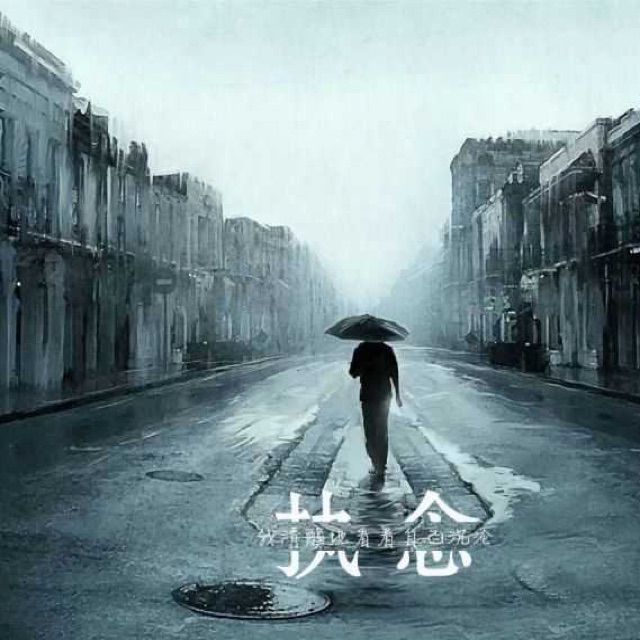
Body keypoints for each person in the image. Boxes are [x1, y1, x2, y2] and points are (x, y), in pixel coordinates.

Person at [348, 340, 402, 478]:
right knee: (380, 430)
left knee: (371, 431)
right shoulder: (386, 350)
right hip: (380, 396)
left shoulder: (361, 350)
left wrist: (364, 366)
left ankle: (377, 463)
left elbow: (353, 373)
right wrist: (397, 394)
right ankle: (379, 464)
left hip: (370, 396)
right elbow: (394, 373)